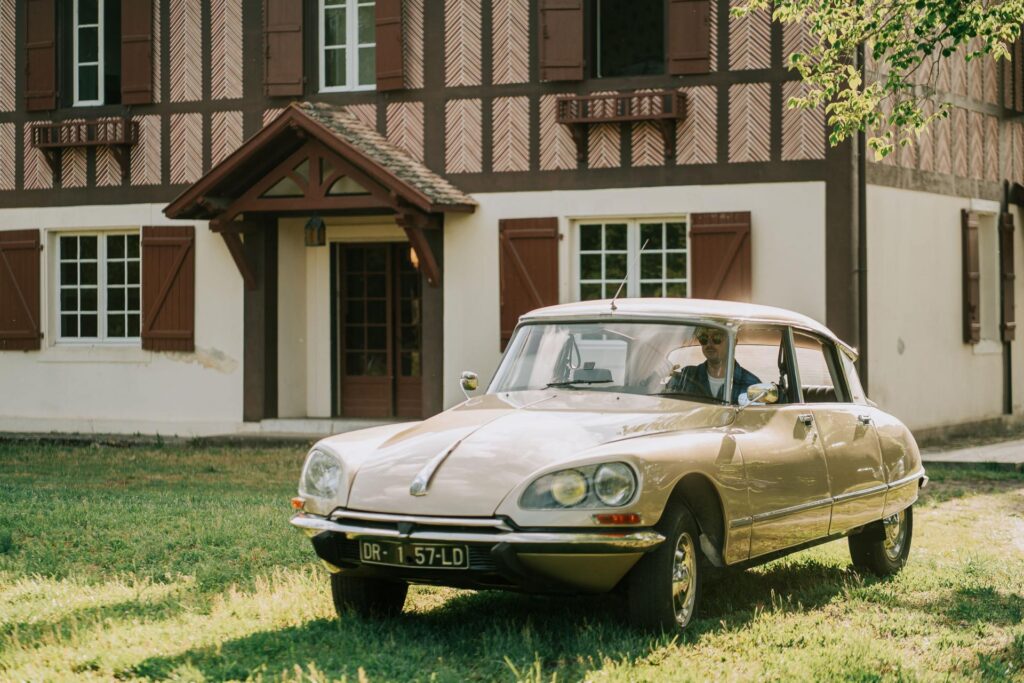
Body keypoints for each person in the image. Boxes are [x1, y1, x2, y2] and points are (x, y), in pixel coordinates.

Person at [666, 327, 761, 403]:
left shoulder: (752, 385)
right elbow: (660, 401)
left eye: (717, 338)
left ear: (734, 342)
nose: (709, 344)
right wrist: (659, 373)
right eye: (703, 339)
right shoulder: (686, 376)